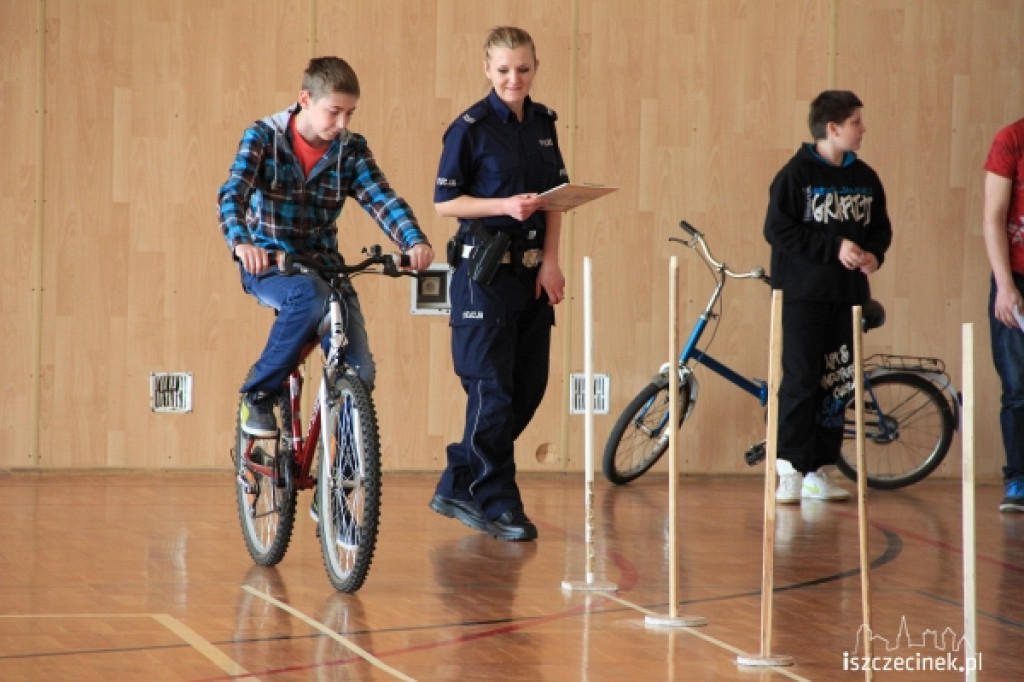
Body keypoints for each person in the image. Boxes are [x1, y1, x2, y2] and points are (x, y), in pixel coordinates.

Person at [218, 56, 433, 438]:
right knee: (308, 294)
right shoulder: (264, 137)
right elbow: (233, 193)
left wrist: (413, 240)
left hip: (325, 265)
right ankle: (259, 395)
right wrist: (242, 243)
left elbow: (381, 199)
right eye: (334, 112)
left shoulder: (350, 149)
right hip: (270, 262)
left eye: (350, 113)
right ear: (306, 99)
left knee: (360, 370)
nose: (343, 123)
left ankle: (344, 468)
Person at [429, 26, 567, 542]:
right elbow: (445, 203)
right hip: (482, 277)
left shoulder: (544, 124)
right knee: (491, 392)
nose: (514, 78)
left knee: (526, 389)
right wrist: (503, 205)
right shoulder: (470, 128)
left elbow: (555, 198)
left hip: (530, 276)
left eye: (523, 69)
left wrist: (551, 261)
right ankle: (498, 502)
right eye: (504, 69)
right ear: (487, 69)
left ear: (535, 68)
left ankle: (458, 483)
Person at [764, 90, 893, 504]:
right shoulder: (795, 174)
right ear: (833, 128)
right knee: (801, 380)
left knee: (837, 383)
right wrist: (833, 246)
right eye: (856, 122)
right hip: (803, 296)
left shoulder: (865, 177)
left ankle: (818, 467)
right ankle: (789, 467)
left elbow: (880, 229)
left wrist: (873, 254)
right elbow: (778, 230)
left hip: (847, 296)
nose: (863, 129)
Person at [982, 116, 1024, 512]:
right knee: (1017, 386)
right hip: (1017, 278)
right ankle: (1018, 479)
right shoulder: (1011, 138)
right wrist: (1005, 285)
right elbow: (993, 216)